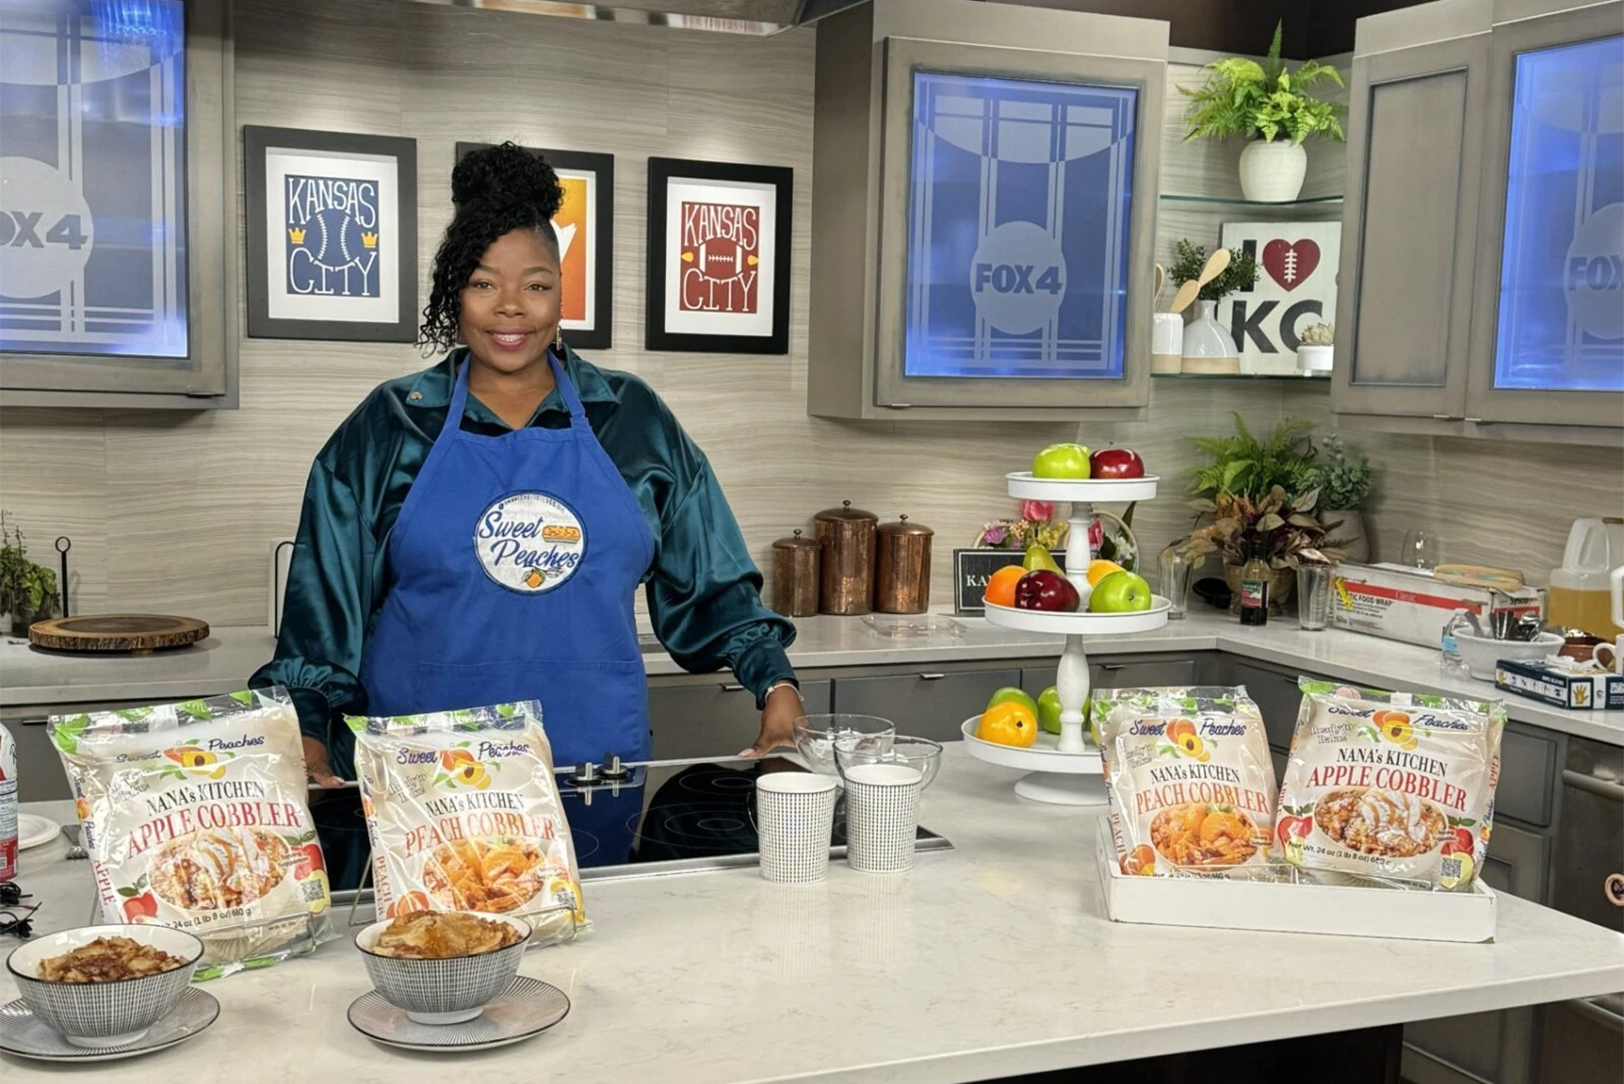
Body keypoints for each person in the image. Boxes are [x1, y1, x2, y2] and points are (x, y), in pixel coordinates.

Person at [252, 142, 802, 813]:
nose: (510, 308)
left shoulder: (630, 419)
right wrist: (308, 734)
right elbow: (320, 618)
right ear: (453, 292)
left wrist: (777, 690)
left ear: (561, 295)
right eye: (483, 283)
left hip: (592, 771)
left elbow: (714, 588)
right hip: (421, 782)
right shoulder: (391, 426)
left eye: (536, 285)